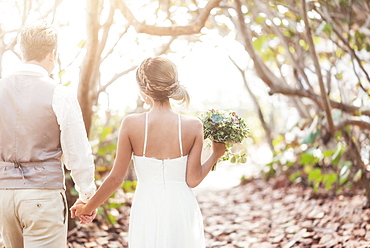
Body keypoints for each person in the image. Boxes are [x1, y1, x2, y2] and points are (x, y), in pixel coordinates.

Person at [71, 57, 226, 247]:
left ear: (144, 90)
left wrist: (88, 207)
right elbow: (193, 180)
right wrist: (216, 154)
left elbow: (115, 178)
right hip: (181, 206)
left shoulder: (131, 124)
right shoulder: (193, 126)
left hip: (147, 206)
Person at [0, 22, 96, 248]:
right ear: (52, 54)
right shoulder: (59, 94)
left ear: (23, 52)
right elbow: (77, 152)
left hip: (4, 196)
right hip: (42, 196)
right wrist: (87, 196)